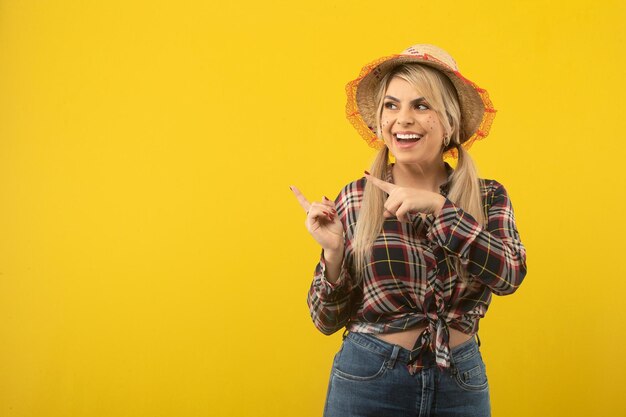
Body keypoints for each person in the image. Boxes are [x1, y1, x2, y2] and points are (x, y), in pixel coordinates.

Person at [289, 44, 527, 417]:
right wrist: (333, 255)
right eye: (391, 105)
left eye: (421, 105)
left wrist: (441, 210)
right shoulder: (355, 199)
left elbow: (510, 275)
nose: (403, 119)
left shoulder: (487, 196)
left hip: (459, 381)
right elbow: (325, 320)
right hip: (369, 379)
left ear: (449, 121)